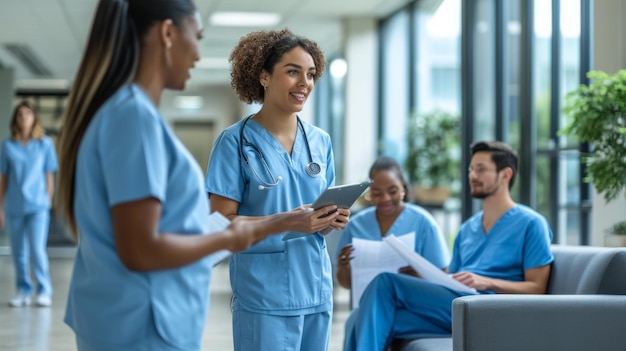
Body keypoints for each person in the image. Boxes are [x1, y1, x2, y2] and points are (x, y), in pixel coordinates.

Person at [55, 2, 332, 351]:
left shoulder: (129, 114)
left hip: (131, 317)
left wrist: (266, 226)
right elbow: (142, 249)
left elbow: (164, 231)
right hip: (142, 322)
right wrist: (249, 231)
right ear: (168, 33)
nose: (199, 53)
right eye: (196, 37)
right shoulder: (134, 119)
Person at [204, 28, 350, 351]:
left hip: (315, 289)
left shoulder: (320, 141)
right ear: (264, 77)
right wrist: (287, 221)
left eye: (311, 74)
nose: (305, 84)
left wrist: (331, 219)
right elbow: (219, 225)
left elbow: (318, 215)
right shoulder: (235, 143)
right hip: (263, 295)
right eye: (293, 72)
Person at [343, 141, 554, 351]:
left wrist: (487, 282)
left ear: (505, 175)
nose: (472, 175)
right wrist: (422, 277)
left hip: (491, 310)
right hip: (457, 309)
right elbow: (451, 281)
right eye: (471, 169)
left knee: (386, 282)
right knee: (358, 317)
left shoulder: (532, 224)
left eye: (481, 169)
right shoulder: (467, 229)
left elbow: (537, 288)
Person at [335, 156, 449, 290]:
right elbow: (347, 284)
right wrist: (344, 268)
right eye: (377, 193)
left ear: (404, 189)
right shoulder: (355, 225)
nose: (385, 199)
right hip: (367, 304)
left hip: (411, 305)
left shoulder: (424, 222)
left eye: (392, 191)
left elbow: (443, 275)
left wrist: (421, 278)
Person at [0, 101, 57, 308]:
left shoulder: (45, 144)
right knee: (18, 252)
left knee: (37, 249)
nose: (24, 117)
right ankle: (23, 290)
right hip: (14, 206)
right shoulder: (7, 146)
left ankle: (44, 290)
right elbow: (3, 178)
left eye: (28, 113)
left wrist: (48, 198)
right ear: (15, 119)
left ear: (34, 118)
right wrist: (0, 206)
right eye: (20, 114)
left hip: (38, 207)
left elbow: (48, 174)